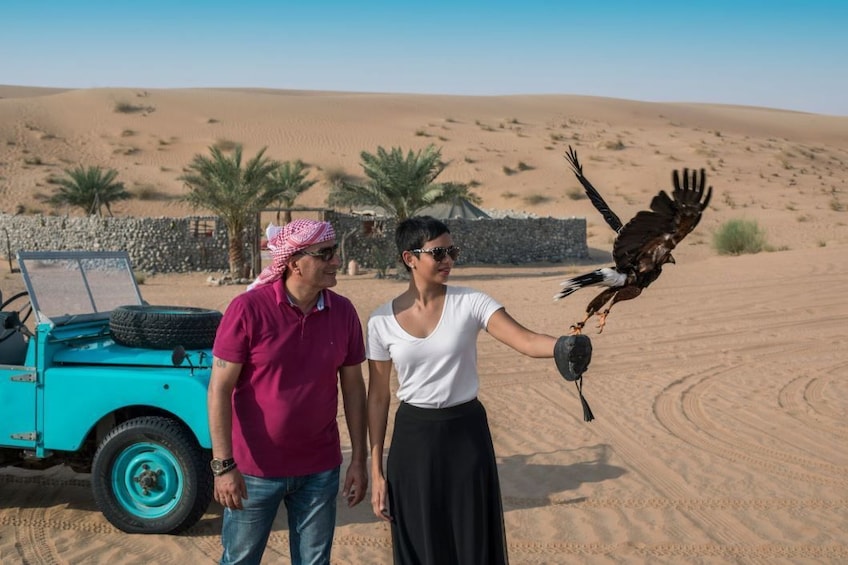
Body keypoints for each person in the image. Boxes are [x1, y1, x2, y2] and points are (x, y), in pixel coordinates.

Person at [366, 216, 580, 565]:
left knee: (472, 539)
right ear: (410, 259)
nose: (449, 260)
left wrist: (564, 346)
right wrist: (376, 472)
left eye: (453, 251)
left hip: (466, 435)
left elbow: (524, 340)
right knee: (421, 540)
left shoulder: (472, 302)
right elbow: (377, 397)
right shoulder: (379, 321)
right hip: (413, 441)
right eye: (440, 253)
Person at [208, 219, 368, 565]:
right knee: (240, 560)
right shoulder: (247, 310)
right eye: (325, 254)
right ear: (295, 262)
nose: (336, 261)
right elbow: (219, 390)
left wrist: (359, 458)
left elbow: (354, 387)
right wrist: (223, 466)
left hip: (320, 470)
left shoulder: (343, 312)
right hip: (253, 472)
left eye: (335, 252)